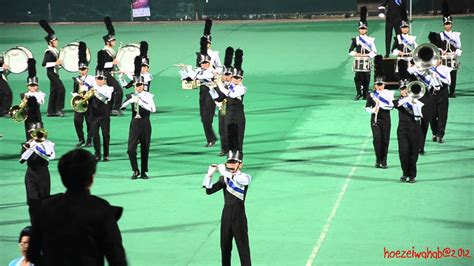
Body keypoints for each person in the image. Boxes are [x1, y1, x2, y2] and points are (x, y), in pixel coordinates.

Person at [27, 149, 127, 266]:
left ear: (63, 178)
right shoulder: (102, 209)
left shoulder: (45, 208)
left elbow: (33, 254)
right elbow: (117, 258)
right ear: (91, 178)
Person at [202, 124, 251, 266]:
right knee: (225, 248)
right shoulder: (224, 178)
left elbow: (239, 181)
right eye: (229, 161)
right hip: (226, 215)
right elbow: (209, 191)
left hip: (239, 215)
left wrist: (224, 172)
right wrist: (209, 175)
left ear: (240, 164)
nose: (231, 164)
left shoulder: (245, 177)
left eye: (234, 162)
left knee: (243, 249)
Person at [121, 56, 156, 179]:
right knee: (131, 149)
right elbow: (122, 107)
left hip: (145, 124)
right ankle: (135, 170)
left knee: (145, 149)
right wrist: (129, 101)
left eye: (140, 85)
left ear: (143, 85)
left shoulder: (148, 96)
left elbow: (153, 109)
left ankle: (144, 172)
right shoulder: (131, 95)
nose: (138, 87)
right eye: (136, 85)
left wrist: (140, 102)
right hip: (134, 124)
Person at [210, 48, 247, 155]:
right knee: (222, 129)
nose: (227, 77)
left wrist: (220, 84)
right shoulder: (225, 84)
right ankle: (224, 148)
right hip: (223, 108)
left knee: (233, 131)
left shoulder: (238, 87)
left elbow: (229, 93)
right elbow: (217, 98)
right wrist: (212, 89)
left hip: (234, 110)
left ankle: (234, 150)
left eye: (229, 75)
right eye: (226, 75)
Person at [19, 127, 55, 225]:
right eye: (32, 133)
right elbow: (21, 160)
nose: (35, 136)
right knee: (32, 201)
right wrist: (28, 148)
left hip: (43, 173)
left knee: (44, 200)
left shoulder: (48, 144)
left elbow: (50, 156)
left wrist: (39, 147)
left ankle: (44, 224)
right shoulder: (27, 145)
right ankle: (34, 224)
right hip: (30, 173)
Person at [365, 55, 394, 169]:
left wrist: (381, 105)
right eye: (377, 84)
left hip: (385, 117)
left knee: (385, 140)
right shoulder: (371, 94)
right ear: (375, 85)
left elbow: (391, 105)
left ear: (384, 84)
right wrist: (373, 109)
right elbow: (367, 107)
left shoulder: (389, 93)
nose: (379, 86)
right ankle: (378, 159)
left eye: (381, 84)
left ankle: (384, 161)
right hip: (375, 118)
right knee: (377, 140)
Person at [393, 82, 424, 183]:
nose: (404, 91)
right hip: (402, 130)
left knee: (413, 153)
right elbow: (396, 104)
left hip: (414, 129)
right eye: (402, 89)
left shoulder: (417, 101)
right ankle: (404, 173)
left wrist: (412, 100)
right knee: (403, 152)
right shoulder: (399, 101)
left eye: (406, 89)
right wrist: (407, 98)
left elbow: (419, 113)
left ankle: (412, 176)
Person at [349, 6, 377, 100]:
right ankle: (358, 93)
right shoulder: (356, 39)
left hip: (366, 60)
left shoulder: (370, 40)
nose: (362, 30)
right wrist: (356, 54)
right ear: (358, 29)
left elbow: (374, 51)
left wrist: (367, 55)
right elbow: (350, 51)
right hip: (358, 60)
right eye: (361, 29)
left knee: (366, 78)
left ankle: (365, 94)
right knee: (357, 78)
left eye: (364, 29)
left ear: (367, 30)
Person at [39, 20, 66, 117]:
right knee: (61, 89)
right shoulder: (49, 52)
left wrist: (59, 65)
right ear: (51, 42)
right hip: (51, 73)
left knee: (54, 91)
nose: (57, 42)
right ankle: (59, 109)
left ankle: (50, 111)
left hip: (54, 72)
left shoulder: (54, 50)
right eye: (55, 40)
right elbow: (44, 64)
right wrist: (56, 62)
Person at [90, 54, 114, 162]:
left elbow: (106, 98)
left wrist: (94, 92)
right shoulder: (91, 89)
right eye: (97, 78)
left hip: (104, 115)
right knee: (95, 136)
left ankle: (106, 154)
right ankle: (97, 154)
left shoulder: (109, 88)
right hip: (94, 116)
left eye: (101, 79)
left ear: (104, 80)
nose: (99, 81)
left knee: (105, 135)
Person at [72, 41, 95, 148]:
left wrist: (87, 94)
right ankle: (81, 138)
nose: (82, 71)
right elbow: (74, 90)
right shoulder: (76, 79)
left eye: (84, 69)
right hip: (79, 103)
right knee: (77, 121)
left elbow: (94, 89)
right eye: (81, 69)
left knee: (90, 122)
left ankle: (90, 140)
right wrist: (76, 95)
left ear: (87, 69)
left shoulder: (91, 79)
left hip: (89, 102)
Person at [438, 0, 462, 98]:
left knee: (453, 75)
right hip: (444, 57)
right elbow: (438, 46)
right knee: (444, 74)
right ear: (443, 25)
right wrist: (441, 51)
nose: (447, 25)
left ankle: (452, 91)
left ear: (451, 24)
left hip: (452, 57)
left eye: (449, 24)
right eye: (446, 24)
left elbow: (459, 46)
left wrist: (456, 53)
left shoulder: (456, 34)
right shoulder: (440, 35)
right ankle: (444, 91)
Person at [101, 17, 123, 116]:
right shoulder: (104, 51)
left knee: (111, 91)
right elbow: (102, 65)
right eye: (112, 40)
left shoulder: (111, 50)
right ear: (108, 42)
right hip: (106, 74)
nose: (114, 42)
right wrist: (112, 63)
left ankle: (109, 109)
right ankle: (115, 108)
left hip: (110, 73)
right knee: (118, 90)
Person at [19, 59, 46, 142]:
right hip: (28, 116)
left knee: (38, 130)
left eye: (34, 86)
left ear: (37, 86)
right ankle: (29, 142)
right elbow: (21, 106)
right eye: (31, 86)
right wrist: (23, 101)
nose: (33, 87)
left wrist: (30, 99)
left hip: (37, 115)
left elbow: (40, 102)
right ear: (27, 86)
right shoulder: (24, 95)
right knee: (28, 131)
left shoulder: (40, 94)